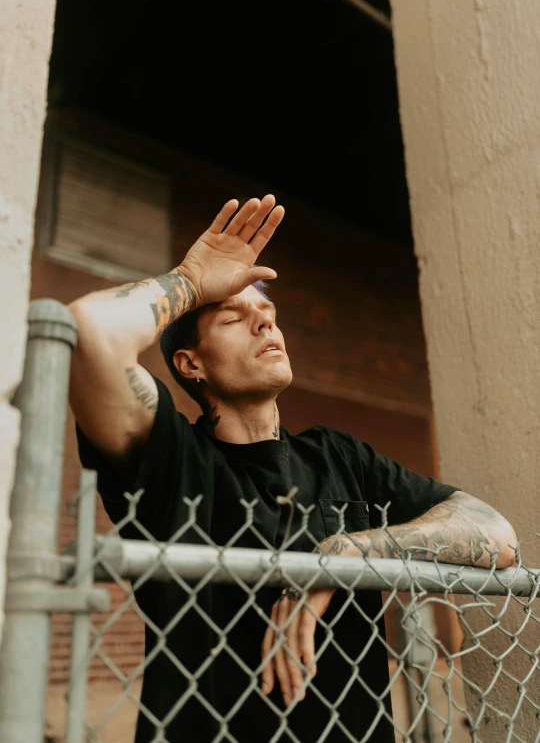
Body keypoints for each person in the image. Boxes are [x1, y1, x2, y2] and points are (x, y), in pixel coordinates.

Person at [69, 195, 517, 742]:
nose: (264, 324)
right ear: (191, 364)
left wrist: (347, 553)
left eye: (269, 315)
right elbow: (89, 331)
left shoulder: (340, 457)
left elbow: (497, 534)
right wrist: (190, 280)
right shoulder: (173, 458)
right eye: (234, 317)